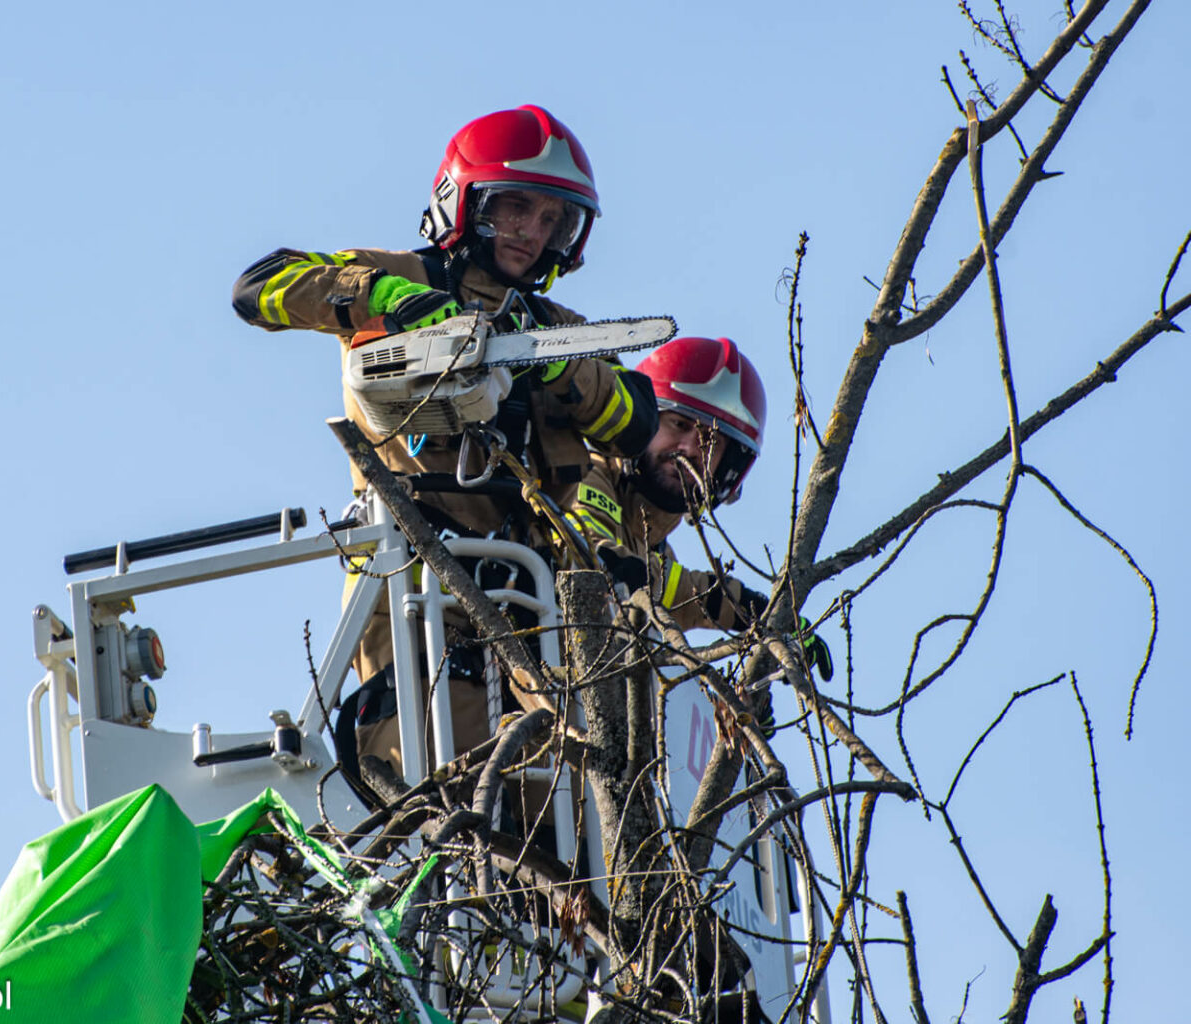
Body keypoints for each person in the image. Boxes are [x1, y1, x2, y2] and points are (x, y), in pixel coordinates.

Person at [231, 104, 659, 792]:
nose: (533, 232)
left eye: (554, 220)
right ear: (463, 200)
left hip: (535, 612)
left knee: (559, 822)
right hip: (417, 592)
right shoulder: (399, 274)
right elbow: (258, 288)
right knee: (454, 795)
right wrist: (389, 298)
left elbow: (639, 420)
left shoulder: (558, 329)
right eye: (517, 207)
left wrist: (557, 367)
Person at [568, 335, 834, 713]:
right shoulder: (582, 469)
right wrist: (746, 610)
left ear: (727, 470)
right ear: (642, 417)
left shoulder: (656, 549)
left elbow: (670, 611)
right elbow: (595, 555)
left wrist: (724, 718)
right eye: (678, 424)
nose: (691, 449)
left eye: (711, 441)